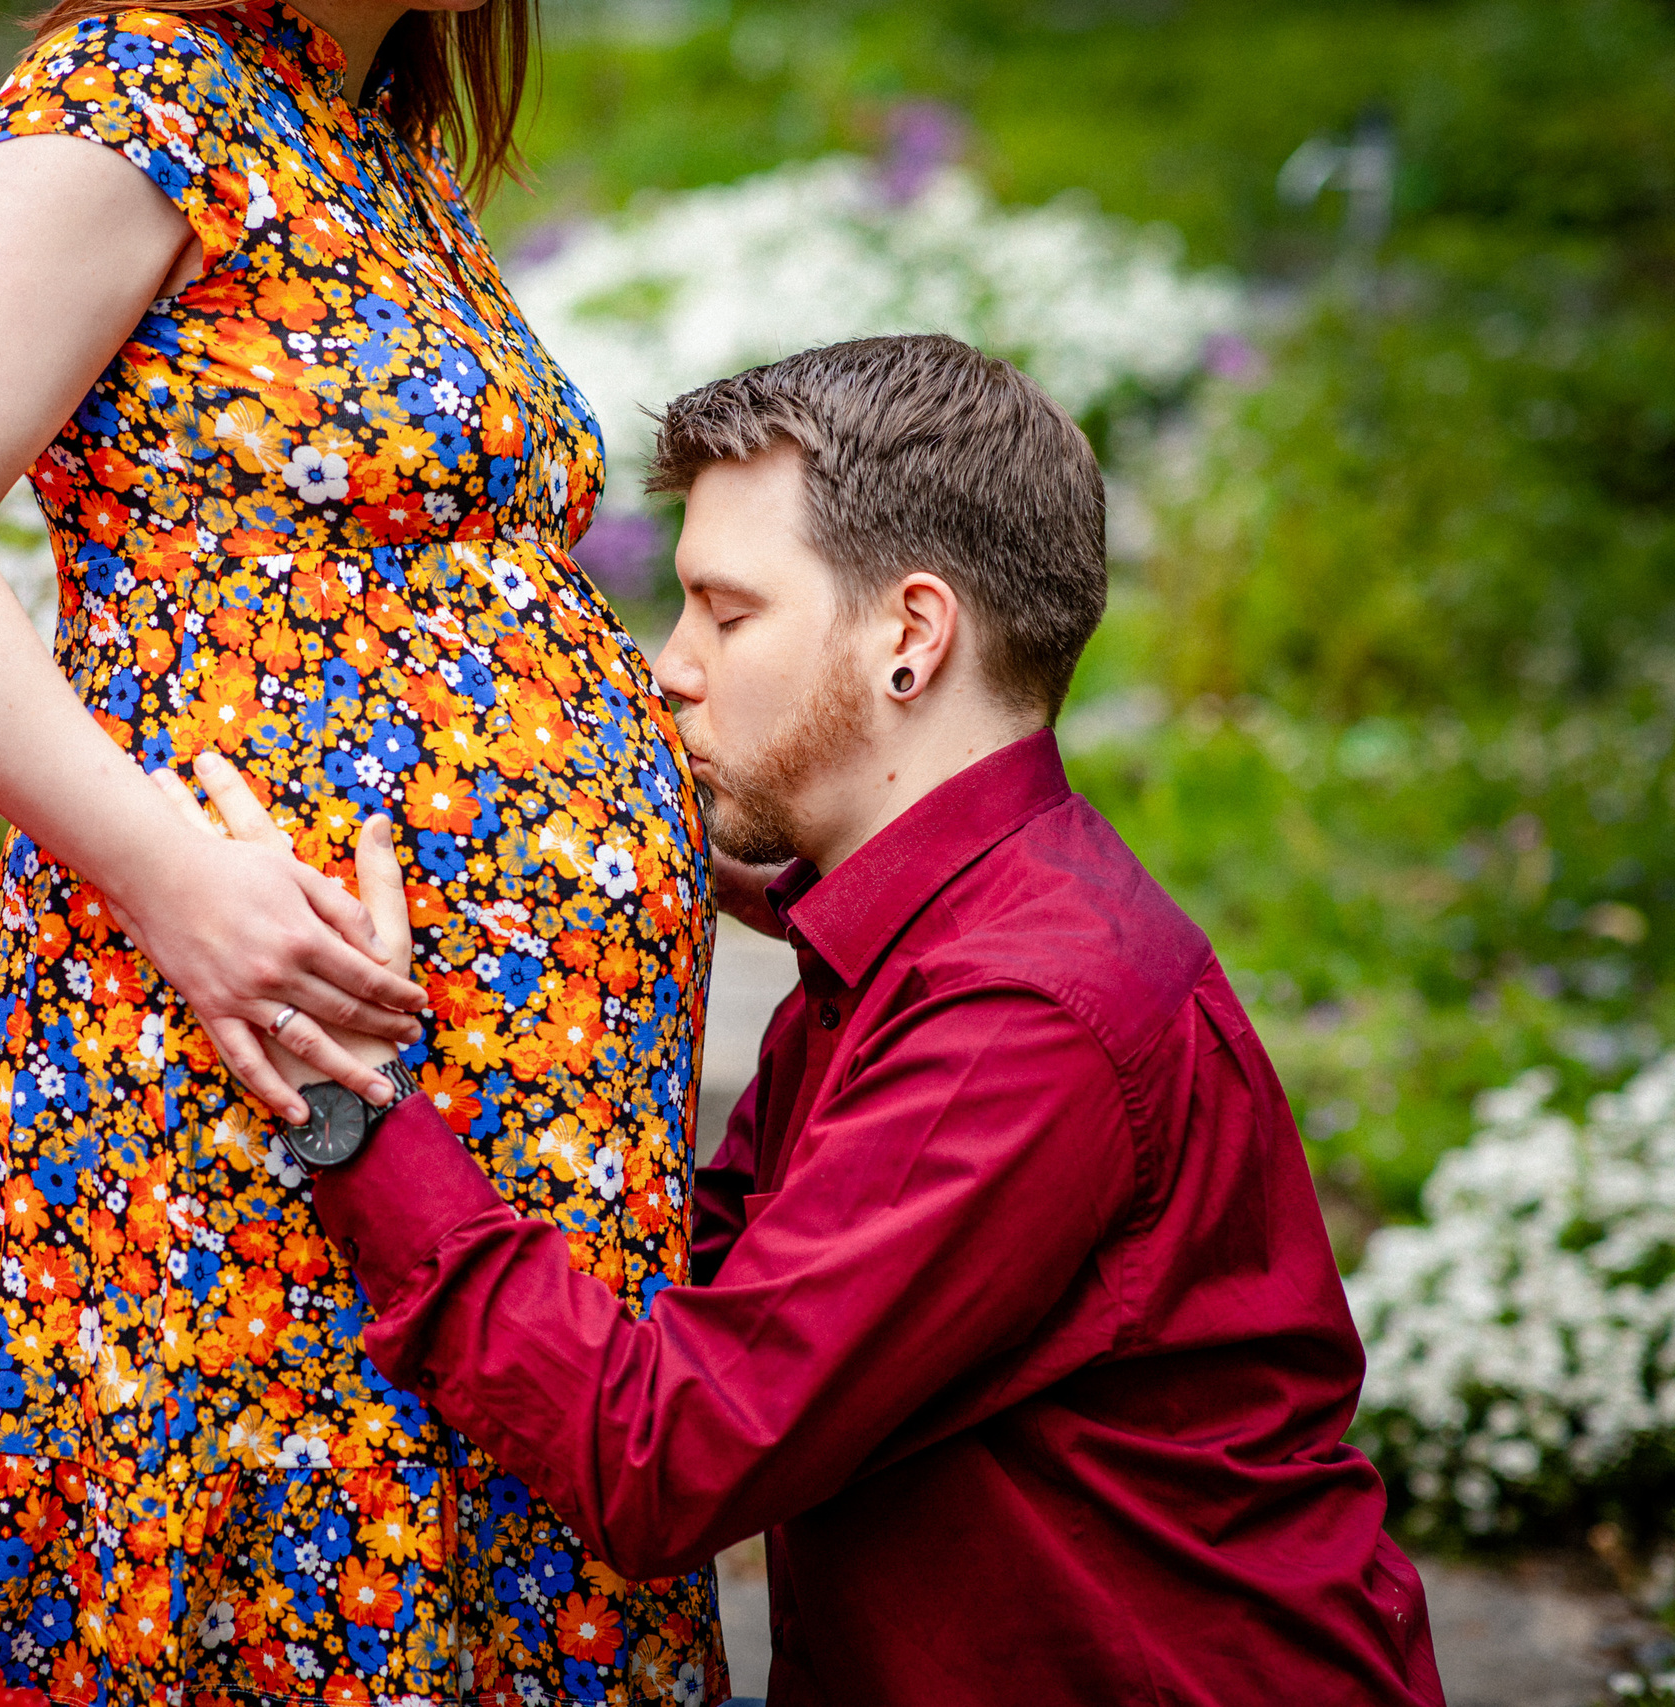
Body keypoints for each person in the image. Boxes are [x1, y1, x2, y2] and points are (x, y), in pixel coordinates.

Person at [200, 336, 1448, 1705]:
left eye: (726, 617)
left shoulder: (1019, 1016)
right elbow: (699, 1290)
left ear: (911, 637)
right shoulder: (909, 943)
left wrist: (353, 1100)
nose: (667, 669)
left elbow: (667, 1456)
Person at [0, 0, 726, 1699]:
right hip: (227, 1083)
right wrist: (174, 875)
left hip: (491, 1132)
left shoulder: (377, 139)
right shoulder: (138, 90)